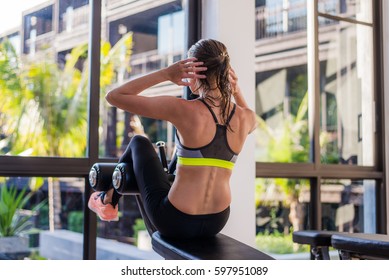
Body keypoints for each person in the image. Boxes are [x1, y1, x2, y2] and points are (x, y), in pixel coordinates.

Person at [88, 39, 257, 238]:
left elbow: (114, 96)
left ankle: (108, 201)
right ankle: (108, 199)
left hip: (175, 220)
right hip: (217, 221)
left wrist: (166, 74)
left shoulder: (184, 110)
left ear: (193, 70)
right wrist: (235, 91)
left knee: (139, 142)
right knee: (183, 155)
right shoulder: (246, 118)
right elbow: (251, 120)